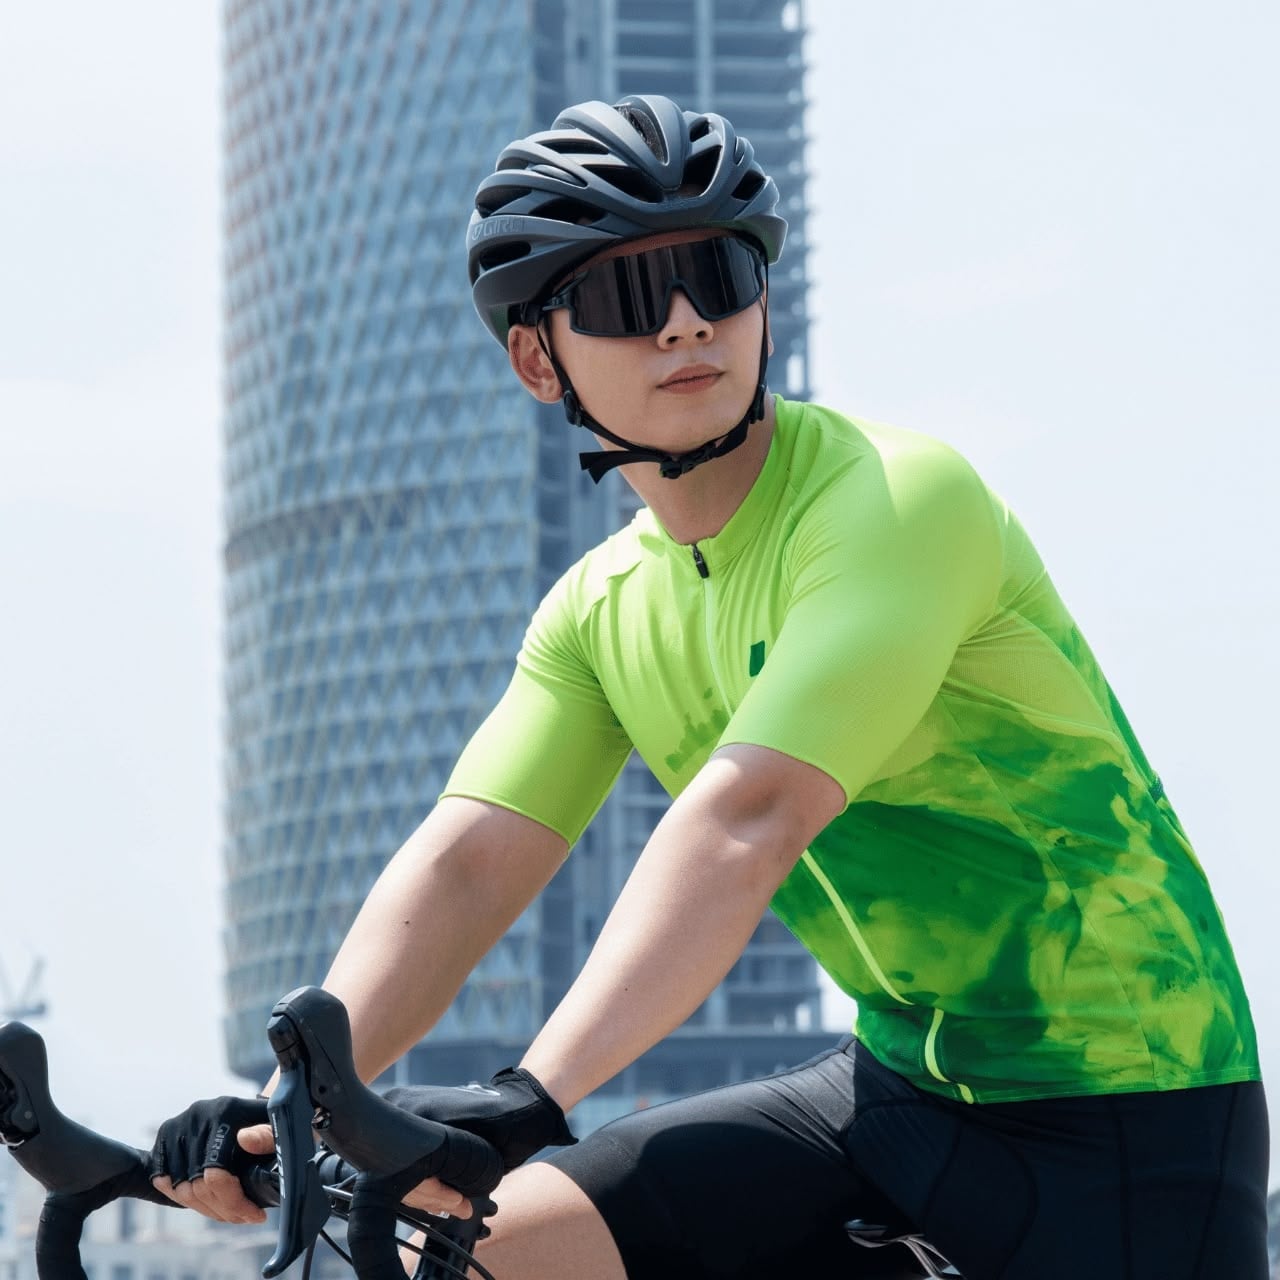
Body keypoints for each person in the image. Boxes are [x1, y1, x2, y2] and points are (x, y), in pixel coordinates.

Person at [149, 95, 1270, 1278]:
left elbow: (748, 818)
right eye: (629, 295)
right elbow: (469, 862)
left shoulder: (896, 501)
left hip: (1129, 1110)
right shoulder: (599, 609)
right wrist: (290, 1101)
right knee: (484, 1252)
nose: (684, 321)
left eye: (718, 277)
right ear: (537, 358)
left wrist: (533, 1092)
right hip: (899, 1087)